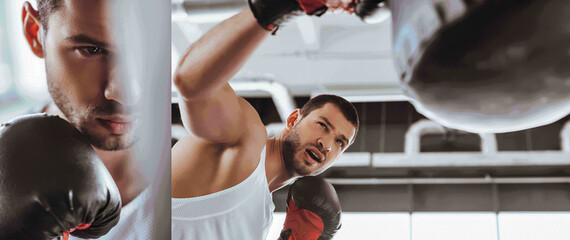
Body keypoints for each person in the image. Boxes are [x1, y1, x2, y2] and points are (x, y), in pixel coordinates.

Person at [170, 0, 359, 239]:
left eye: (340, 142)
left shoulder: (262, 221)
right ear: (293, 120)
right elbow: (189, 80)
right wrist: (269, 10)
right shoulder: (247, 136)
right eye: (323, 125)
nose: (327, 143)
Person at [19, 0, 154, 238]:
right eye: (92, 50)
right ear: (35, 33)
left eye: (150, 49)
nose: (125, 94)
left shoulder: (201, 169)